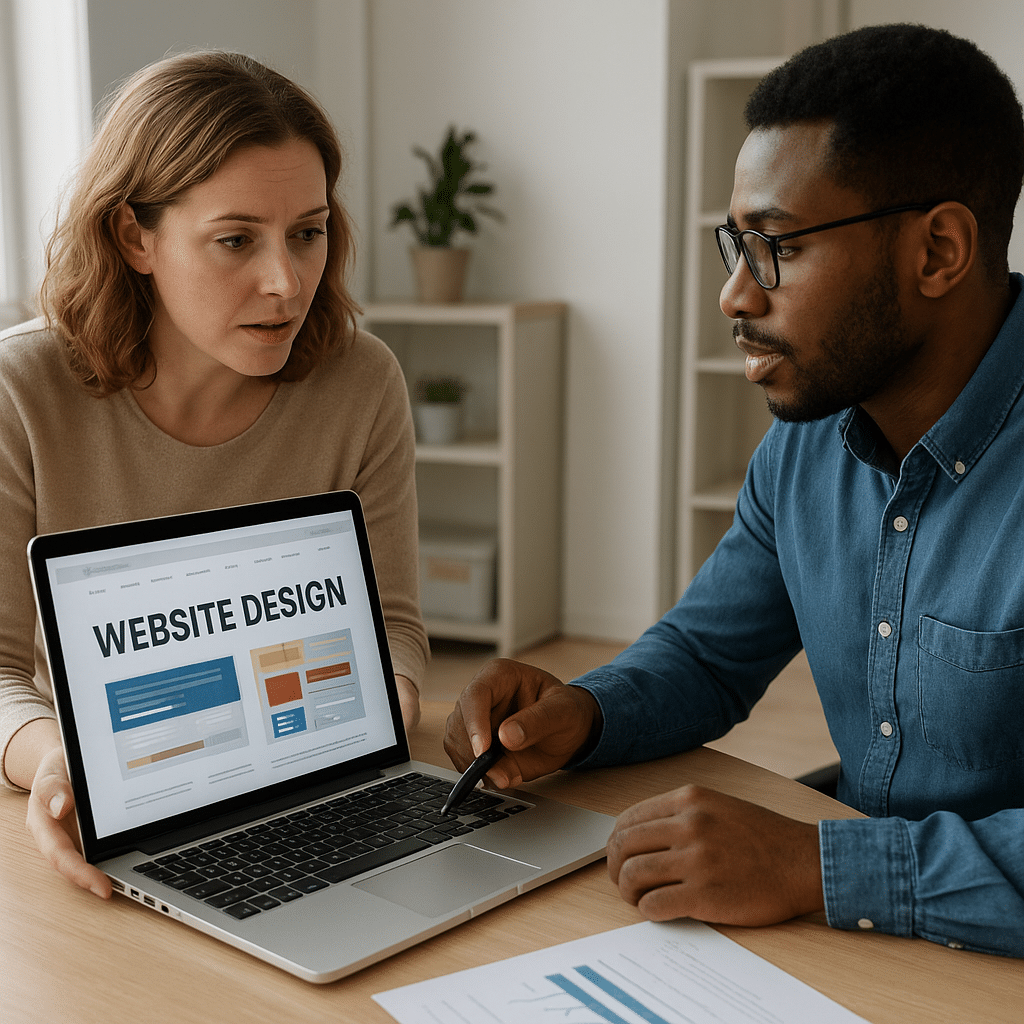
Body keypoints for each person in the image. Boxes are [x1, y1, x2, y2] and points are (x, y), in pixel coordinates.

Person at [446, 23, 1024, 958]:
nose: (734, 297)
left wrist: (816, 865)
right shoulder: (808, 445)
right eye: (735, 245)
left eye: (778, 248)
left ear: (938, 252)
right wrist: (583, 714)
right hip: (863, 938)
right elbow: (709, 656)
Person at [0, 52, 428, 900]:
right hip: (125, 803)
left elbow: (394, 629)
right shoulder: (21, 392)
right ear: (134, 236)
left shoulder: (362, 380)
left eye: (308, 233)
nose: (286, 282)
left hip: (313, 787)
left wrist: (357, 738)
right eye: (236, 240)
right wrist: (58, 764)